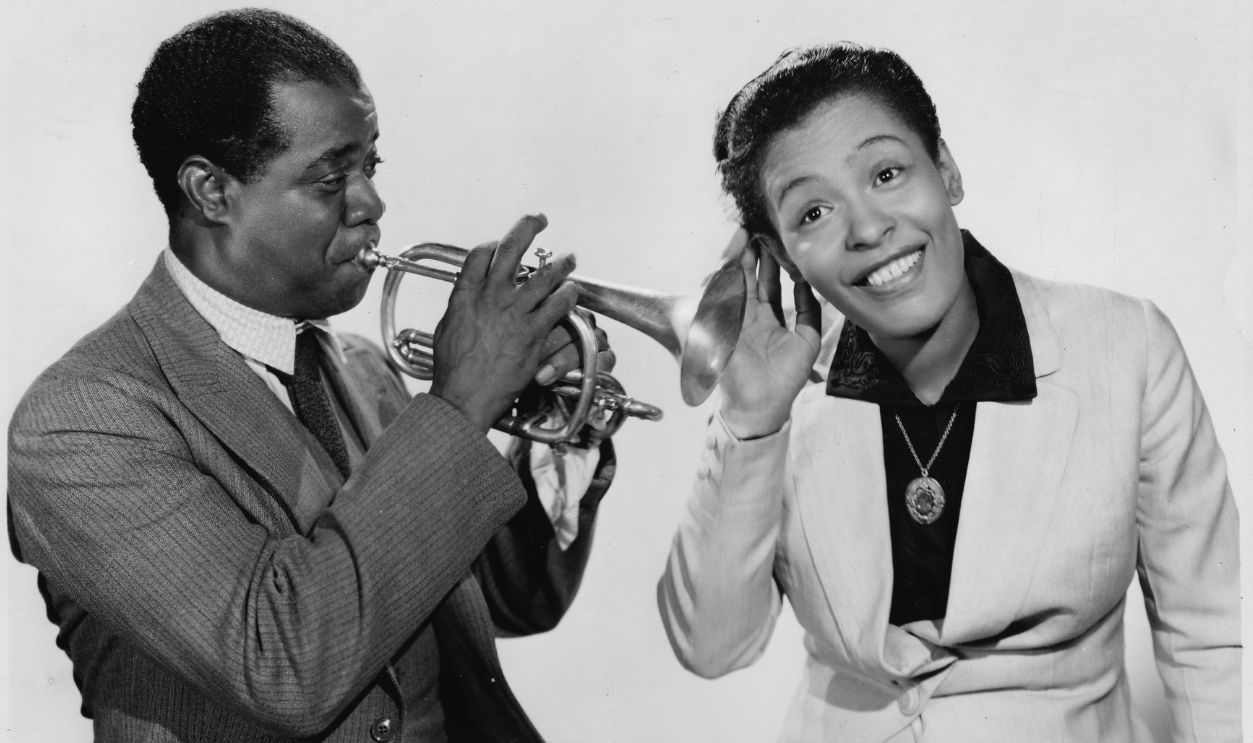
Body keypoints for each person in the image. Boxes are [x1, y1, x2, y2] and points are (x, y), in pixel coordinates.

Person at [8, 9, 618, 742]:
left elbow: (516, 601)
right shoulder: (83, 417)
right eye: (332, 177)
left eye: (371, 166)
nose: (371, 204)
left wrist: (558, 422)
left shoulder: (365, 371)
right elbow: (284, 663)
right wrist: (460, 404)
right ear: (210, 190)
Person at [657, 43, 1240, 742]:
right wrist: (750, 422)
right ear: (780, 255)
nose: (868, 227)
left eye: (886, 172)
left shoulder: (1126, 344)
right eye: (812, 212)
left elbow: (1213, 632)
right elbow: (713, 647)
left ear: (946, 168)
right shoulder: (778, 391)